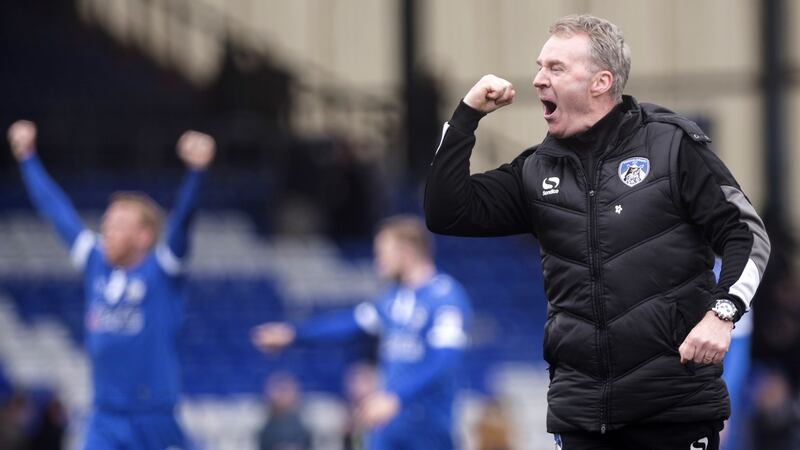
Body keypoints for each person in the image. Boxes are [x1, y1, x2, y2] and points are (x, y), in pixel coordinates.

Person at [423, 14, 770, 450]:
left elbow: (745, 232)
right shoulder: (535, 170)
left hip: (674, 411)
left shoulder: (671, 147)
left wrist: (723, 314)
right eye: (539, 66)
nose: (537, 80)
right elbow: (445, 212)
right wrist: (466, 115)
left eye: (556, 68)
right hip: (580, 415)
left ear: (601, 82)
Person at [8, 120, 215, 450]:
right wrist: (28, 157)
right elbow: (56, 211)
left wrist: (196, 173)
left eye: (119, 223)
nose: (106, 227)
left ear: (144, 236)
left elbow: (183, 223)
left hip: (154, 419)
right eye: (107, 220)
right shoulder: (96, 263)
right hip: (104, 418)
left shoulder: (161, 270)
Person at [252, 215, 472, 450]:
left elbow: (444, 358)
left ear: (407, 251)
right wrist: (294, 334)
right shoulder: (391, 300)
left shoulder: (445, 297)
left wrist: (395, 397)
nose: (378, 261)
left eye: (383, 252)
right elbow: (348, 324)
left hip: (427, 426)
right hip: (388, 424)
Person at [257, 372, 312, 450]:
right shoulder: (266, 428)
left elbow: (307, 443)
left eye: (285, 390)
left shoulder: (302, 425)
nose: (282, 396)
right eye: (279, 390)